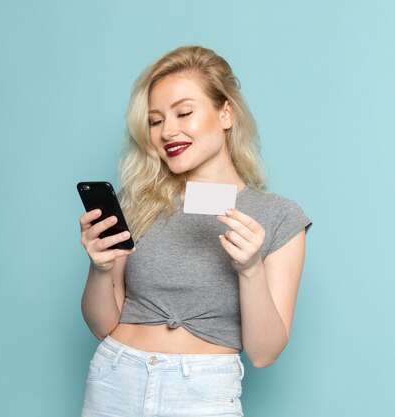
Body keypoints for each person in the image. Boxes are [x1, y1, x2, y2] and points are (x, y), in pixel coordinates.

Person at [78, 46, 312, 417]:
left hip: (202, 391)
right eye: (155, 121)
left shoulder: (279, 216)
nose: (168, 131)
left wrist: (250, 269)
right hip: (116, 378)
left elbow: (264, 353)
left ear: (226, 113)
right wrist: (100, 267)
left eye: (184, 113)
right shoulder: (136, 202)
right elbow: (101, 324)